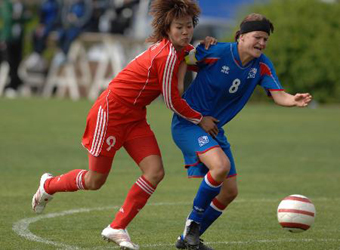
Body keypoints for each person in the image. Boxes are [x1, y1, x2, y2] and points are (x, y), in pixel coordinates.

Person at [31, 1, 216, 249]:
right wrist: (199, 118)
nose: (185, 32)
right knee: (95, 181)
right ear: (167, 29)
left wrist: (207, 48)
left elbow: (193, 57)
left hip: (135, 116)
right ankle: (48, 185)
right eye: (179, 27)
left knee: (155, 172)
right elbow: (172, 100)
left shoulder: (178, 50)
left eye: (189, 27)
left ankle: (117, 227)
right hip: (111, 114)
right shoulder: (166, 55)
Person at [171, 13, 312, 250]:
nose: (262, 43)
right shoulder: (215, 52)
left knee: (229, 191)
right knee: (220, 166)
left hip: (214, 129)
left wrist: (294, 100)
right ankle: (193, 224)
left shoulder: (262, 65)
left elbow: (279, 95)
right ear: (242, 36)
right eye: (258, 37)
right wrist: (180, 87)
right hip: (188, 124)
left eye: (266, 39)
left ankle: (188, 240)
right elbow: (181, 56)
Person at [25, 0, 61, 71]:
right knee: (34, 34)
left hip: (53, 25)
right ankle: (36, 54)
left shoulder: (57, 4)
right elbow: (41, 16)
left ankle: (38, 55)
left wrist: (46, 27)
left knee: (43, 34)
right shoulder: (45, 3)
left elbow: (57, 18)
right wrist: (40, 25)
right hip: (45, 25)